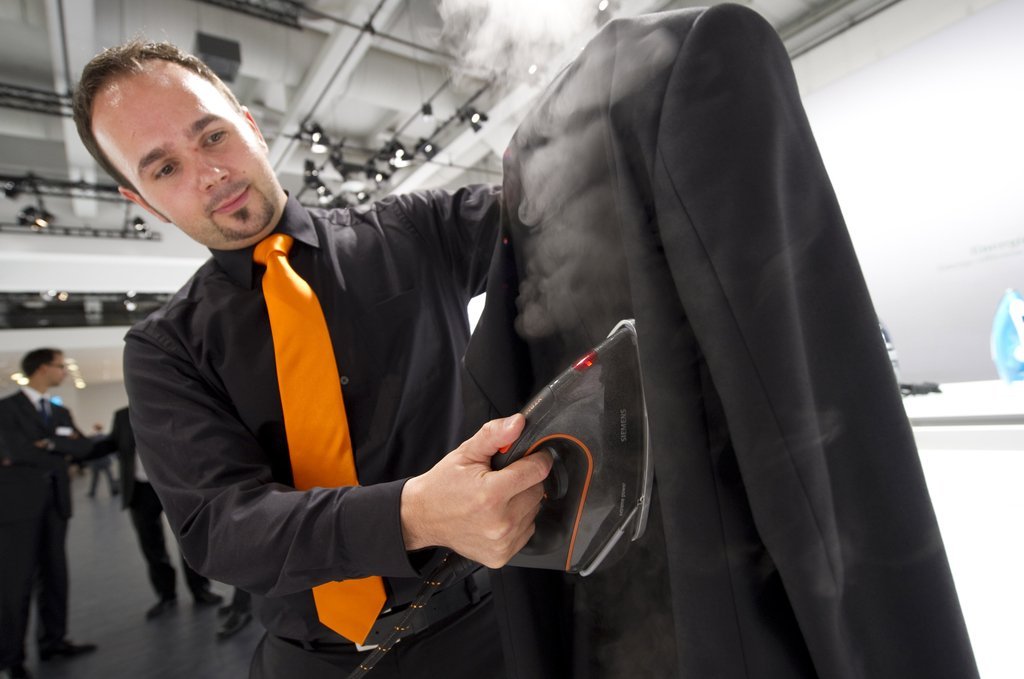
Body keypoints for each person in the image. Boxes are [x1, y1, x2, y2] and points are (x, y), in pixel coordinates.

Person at [71, 40, 551, 679]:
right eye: (164, 169)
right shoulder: (166, 350)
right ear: (142, 201)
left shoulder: (416, 231)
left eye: (213, 136)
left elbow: (550, 206)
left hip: (487, 629)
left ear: (251, 126)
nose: (209, 174)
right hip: (315, 662)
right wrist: (413, 515)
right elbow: (220, 528)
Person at [0, 349, 97, 674]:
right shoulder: (6, 409)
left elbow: (84, 447)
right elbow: (16, 450)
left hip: (56, 503)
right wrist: (59, 450)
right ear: (42, 368)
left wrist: (50, 444)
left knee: (56, 576)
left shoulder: (60, 412)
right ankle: (11, 658)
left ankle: (53, 641)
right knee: (16, 582)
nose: (64, 372)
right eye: (60, 366)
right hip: (17, 507)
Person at [92, 407, 223, 619]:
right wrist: (73, 447)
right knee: (151, 545)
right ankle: (166, 595)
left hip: (175, 485)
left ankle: (200, 589)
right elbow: (111, 443)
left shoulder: (168, 406)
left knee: (189, 539)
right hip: (140, 489)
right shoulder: (122, 416)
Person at [85, 423, 119, 499]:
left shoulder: (91, 438)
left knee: (96, 477)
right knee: (109, 476)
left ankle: (92, 492)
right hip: (104, 460)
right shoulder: (105, 437)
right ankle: (114, 490)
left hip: (96, 461)